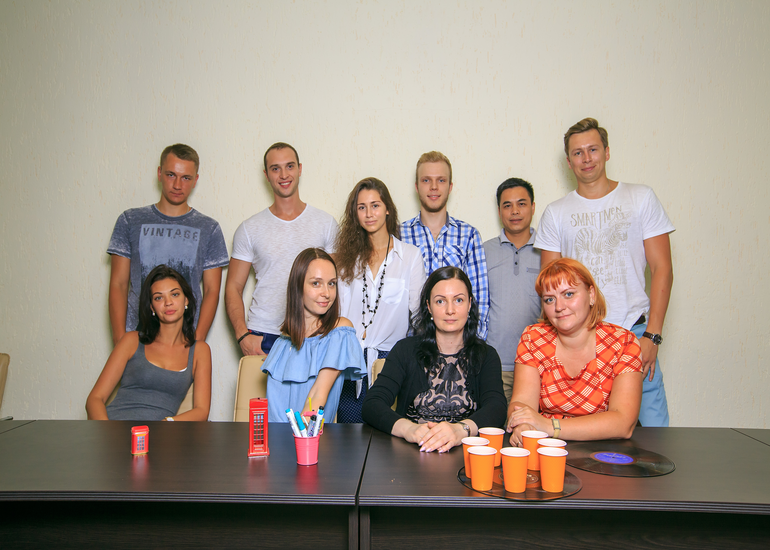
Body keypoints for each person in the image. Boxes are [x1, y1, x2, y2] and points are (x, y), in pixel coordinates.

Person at [535, 117, 674, 427]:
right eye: (578, 153)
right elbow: (549, 286)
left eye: (593, 149)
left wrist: (652, 336)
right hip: (581, 339)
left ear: (607, 152)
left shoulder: (640, 198)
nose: (586, 158)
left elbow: (662, 268)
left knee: (656, 435)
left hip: (634, 333)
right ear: (568, 161)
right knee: (588, 434)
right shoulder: (556, 213)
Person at [362, 267, 507, 453]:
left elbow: (497, 408)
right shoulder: (405, 350)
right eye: (440, 301)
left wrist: (460, 430)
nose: (450, 310)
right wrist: (409, 429)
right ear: (429, 307)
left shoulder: (487, 355)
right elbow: (372, 404)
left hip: (467, 454)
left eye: (458, 300)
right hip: (412, 453)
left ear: (470, 304)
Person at [506, 258, 643, 446]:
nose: (559, 307)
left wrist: (549, 426)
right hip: (547, 448)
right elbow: (522, 403)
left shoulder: (624, 342)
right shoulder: (533, 337)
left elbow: (623, 423)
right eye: (549, 299)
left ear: (591, 295)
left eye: (568, 294)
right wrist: (523, 425)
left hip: (604, 451)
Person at [107, 144, 229, 345]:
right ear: (159, 173)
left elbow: (211, 291)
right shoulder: (130, 220)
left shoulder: (209, 228)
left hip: (184, 339)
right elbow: (118, 284)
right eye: (171, 175)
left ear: (195, 180)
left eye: (186, 178)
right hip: (135, 337)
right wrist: (120, 339)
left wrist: (196, 342)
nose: (178, 185)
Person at [226, 142, 338, 357]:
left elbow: (334, 284)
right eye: (275, 168)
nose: (284, 175)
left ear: (300, 169)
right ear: (266, 175)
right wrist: (242, 336)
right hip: (263, 335)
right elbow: (233, 286)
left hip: (313, 333)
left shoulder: (326, 223)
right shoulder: (249, 228)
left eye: (290, 166)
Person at [335, 178, 426, 422]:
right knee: (350, 433)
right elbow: (337, 313)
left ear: (387, 209)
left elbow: (419, 316)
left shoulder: (410, 256)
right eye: (361, 207)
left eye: (375, 205)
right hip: (350, 360)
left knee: (387, 433)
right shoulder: (346, 258)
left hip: (391, 362)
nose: (369, 213)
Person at [87, 265, 212, 421]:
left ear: (186, 299)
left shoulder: (199, 351)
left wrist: (167, 424)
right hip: (114, 426)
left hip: (157, 434)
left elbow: (202, 411)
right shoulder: (132, 341)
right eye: (159, 297)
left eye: (174, 294)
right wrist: (108, 431)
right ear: (152, 307)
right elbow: (94, 399)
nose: (168, 302)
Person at [261, 248, 365, 423]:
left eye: (331, 283)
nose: (326, 293)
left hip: (308, 436)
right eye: (316, 283)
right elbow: (273, 406)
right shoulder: (283, 341)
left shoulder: (340, 332)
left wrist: (299, 437)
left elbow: (317, 396)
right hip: (273, 435)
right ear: (298, 286)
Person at [401, 151, 490, 339]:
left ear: (450, 187)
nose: (434, 187)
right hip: (411, 344)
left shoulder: (469, 235)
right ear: (417, 187)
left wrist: (474, 346)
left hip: (459, 346)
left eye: (441, 180)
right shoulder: (399, 235)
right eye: (426, 180)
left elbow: (479, 300)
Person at [483, 178, 541, 402]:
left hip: (539, 363)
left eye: (521, 204)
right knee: (496, 422)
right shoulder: (483, 251)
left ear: (533, 207)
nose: (514, 211)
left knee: (532, 423)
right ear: (499, 211)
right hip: (495, 365)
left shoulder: (548, 250)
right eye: (507, 205)